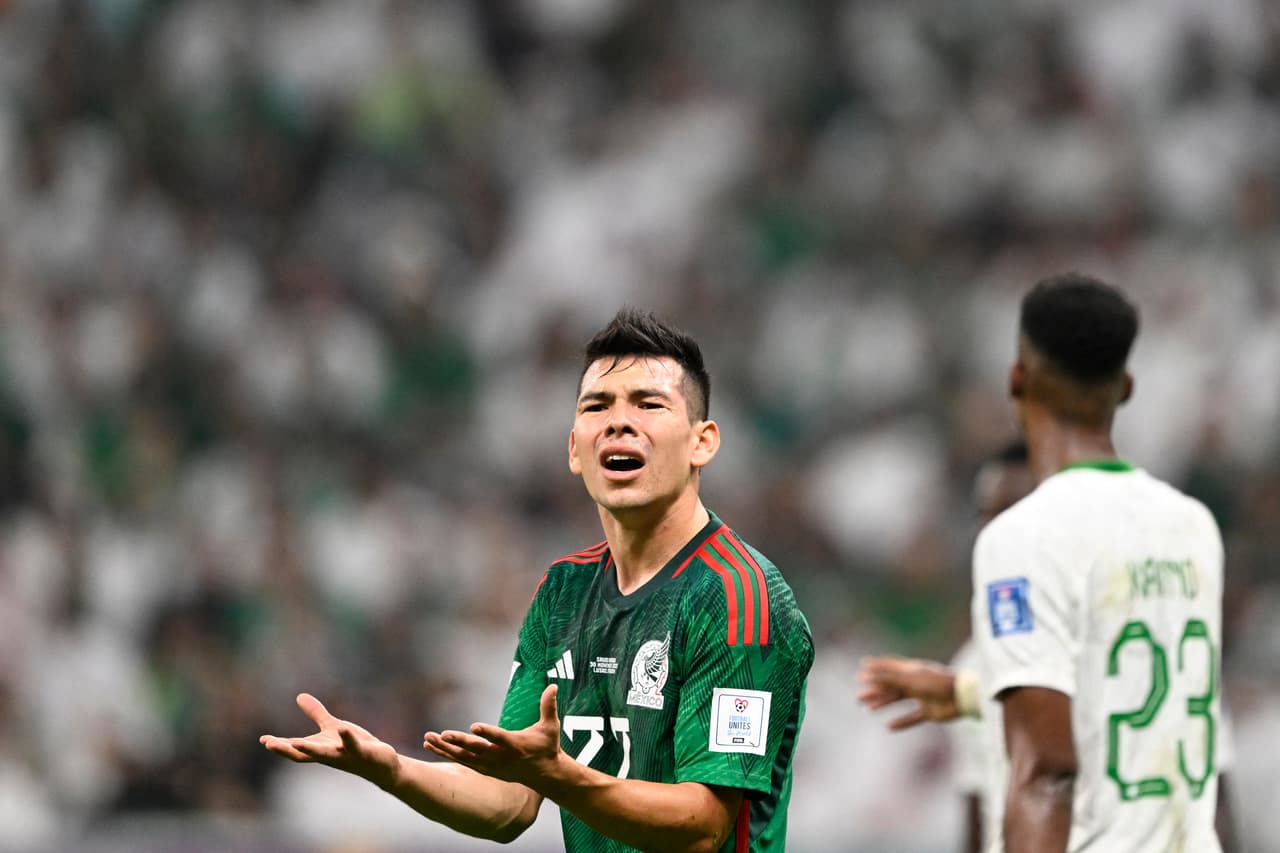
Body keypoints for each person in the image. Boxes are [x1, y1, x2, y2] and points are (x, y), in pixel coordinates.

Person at [260, 307, 815, 852]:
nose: (620, 421)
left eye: (649, 404)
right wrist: (390, 768)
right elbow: (508, 804)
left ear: (703, 442)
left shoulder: (741, 598)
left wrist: (557, 775)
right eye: (597, 406)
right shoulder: (564, 592)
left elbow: (701, 827)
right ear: (575, 448)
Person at [860, 273, 1229, 852]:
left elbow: (1049, 770)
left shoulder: (1024, 537)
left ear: (1018, 378)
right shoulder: (1191, 526)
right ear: (1127, 387)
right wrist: (969, 693)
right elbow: (1129, 694)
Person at [858, 440, 1034, 853]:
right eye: (987, 516)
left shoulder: (1111, 636)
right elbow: (980, 819)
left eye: (1015, 513)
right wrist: (966, 694)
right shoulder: (974, 662)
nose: (995, 533)